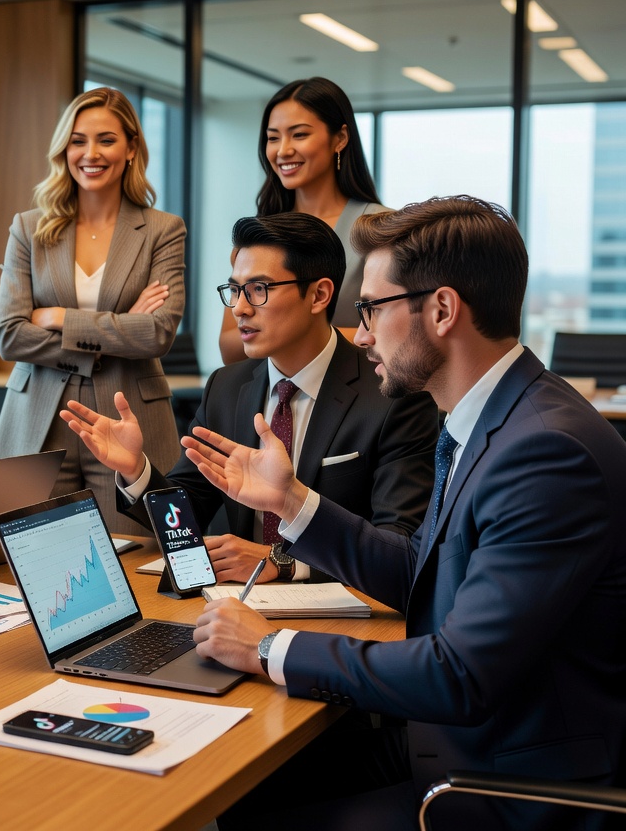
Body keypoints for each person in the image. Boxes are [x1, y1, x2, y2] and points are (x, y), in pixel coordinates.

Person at [187, 197, 626, 830]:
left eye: (371, 308)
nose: (361, 333)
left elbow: (459, 675)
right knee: (243, 793)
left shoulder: (545, 452)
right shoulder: (494, 417)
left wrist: (269, 646)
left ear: (442, 310)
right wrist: (290, 502)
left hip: (506, 783)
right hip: (455, 737)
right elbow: (421, 569)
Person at [63, 212, 437, 584]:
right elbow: (186, 516)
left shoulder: (391, 394)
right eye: (235, 290)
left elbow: (397, 547)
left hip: (344, 607)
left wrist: (284, 562)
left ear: (319, 295)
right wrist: (135, 470)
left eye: (259, 289)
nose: (240, 308)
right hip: (236, 602)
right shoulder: (226, 387)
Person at [0, 87, 186, 536]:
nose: (90, 153)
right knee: (34, 556)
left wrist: (59, 317)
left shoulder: (163, 230)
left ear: (131, 147)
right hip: (39, 418)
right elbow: (10, 334)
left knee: (135, 553)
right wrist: (118, 330)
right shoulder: (29, 228)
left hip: (128, 418)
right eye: (78, 140)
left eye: (106, 140)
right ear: (64, 149)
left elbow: (158, 333)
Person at [219, 77, 388, 365]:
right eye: (273, 138)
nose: (283, 150)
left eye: (299, 135)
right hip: (275, 388)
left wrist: (296, 334)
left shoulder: (380, 227)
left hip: (358, 389)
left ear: (340, 138)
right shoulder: (259, 235)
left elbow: (395, 335)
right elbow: (230, 349)